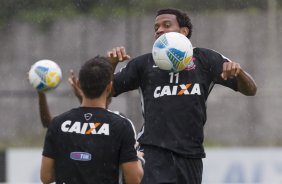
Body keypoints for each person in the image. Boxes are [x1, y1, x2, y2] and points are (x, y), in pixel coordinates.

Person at [104, 8, 257, 184]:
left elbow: (251, 90)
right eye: (156, 27)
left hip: (191, 156)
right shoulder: (143, 64)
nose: (159, 30)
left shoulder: (205, 59)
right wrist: (111, 64)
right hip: (153, 153)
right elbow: (105, 91)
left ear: (184, 31)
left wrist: (238, 73)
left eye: (166, 25)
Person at [40, 56, 144, 184]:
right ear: (110, 87)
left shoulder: (58, 123)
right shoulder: (122, 125)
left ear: (78, 84)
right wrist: (137, 159)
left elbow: (46, 177)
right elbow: (134, 179)